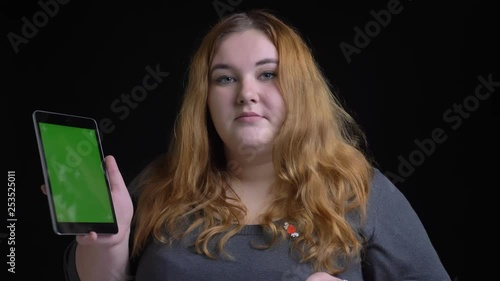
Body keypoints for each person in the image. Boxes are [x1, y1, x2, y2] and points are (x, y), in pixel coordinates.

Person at [44, 9, 451, 281]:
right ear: (204, 98)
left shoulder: (360, 190)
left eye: (268, 74)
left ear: (300, 89)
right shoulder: (159, 185)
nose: (246, 94)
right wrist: (111, 241)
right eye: (224, 78)